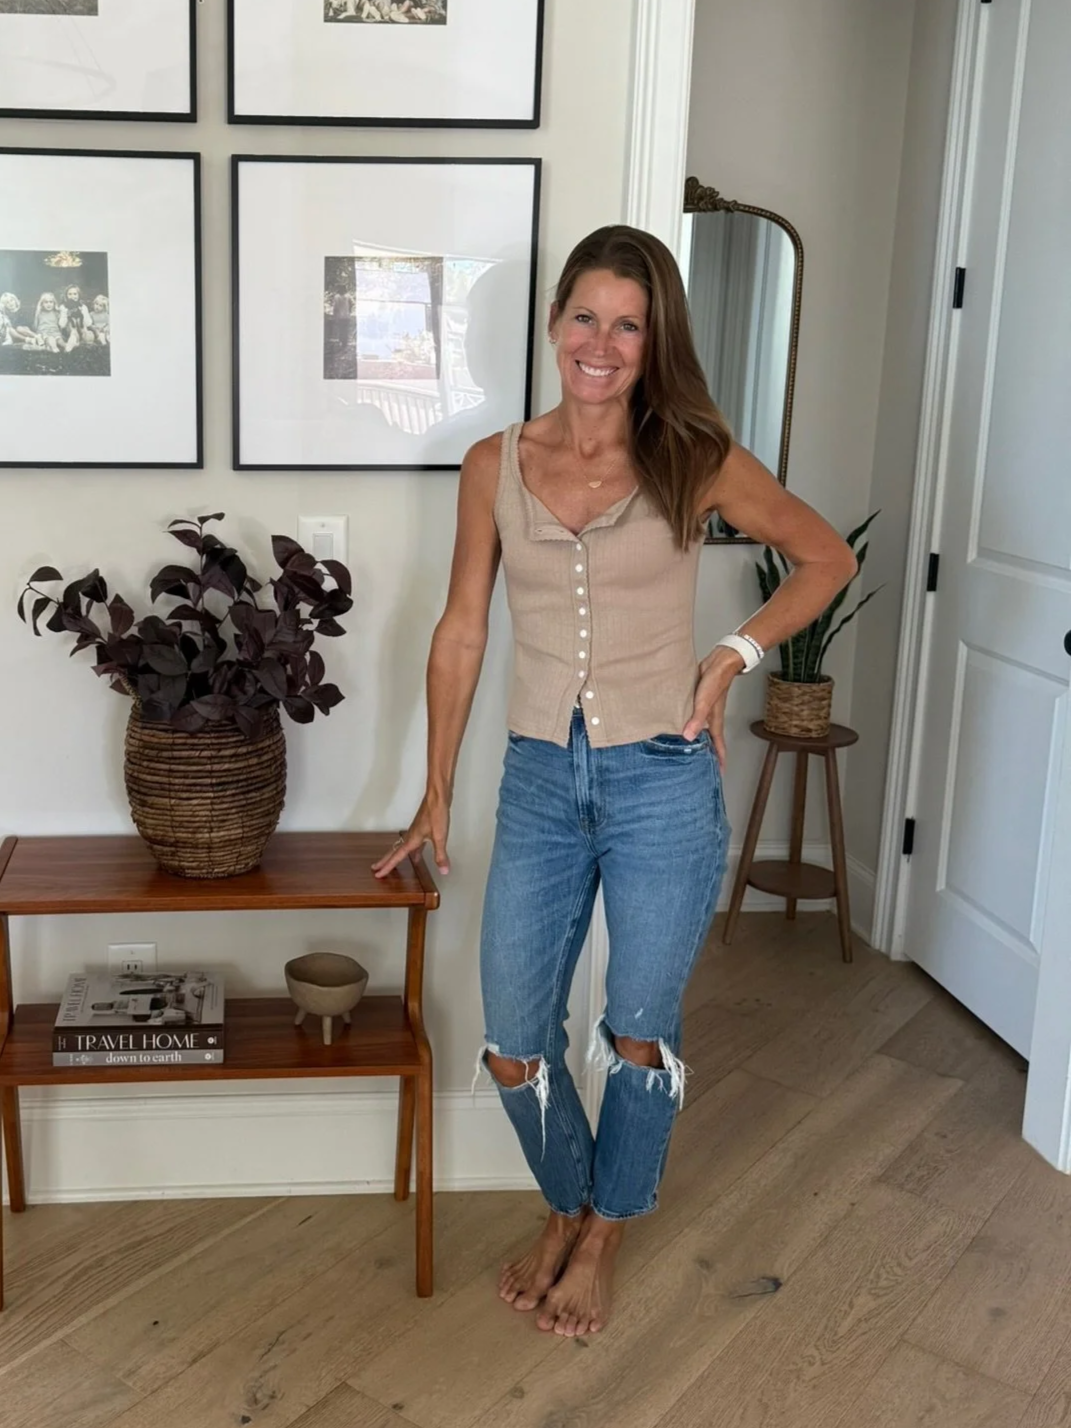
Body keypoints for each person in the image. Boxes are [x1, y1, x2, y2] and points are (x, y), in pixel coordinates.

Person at [373, 224, 857, 1337]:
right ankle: (567, 1199)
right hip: (539, 781)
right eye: (585, 317)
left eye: (628, 325)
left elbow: (828, 555)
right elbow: (460, 630)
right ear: (554, 324)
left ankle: (601, 1231)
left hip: (663, 779)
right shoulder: (497, 463)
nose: (602, 343)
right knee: (512, 1038)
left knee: (639, 1032)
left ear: (654, 341)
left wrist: (732, 656)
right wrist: (437, 786)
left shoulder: (694, 454)